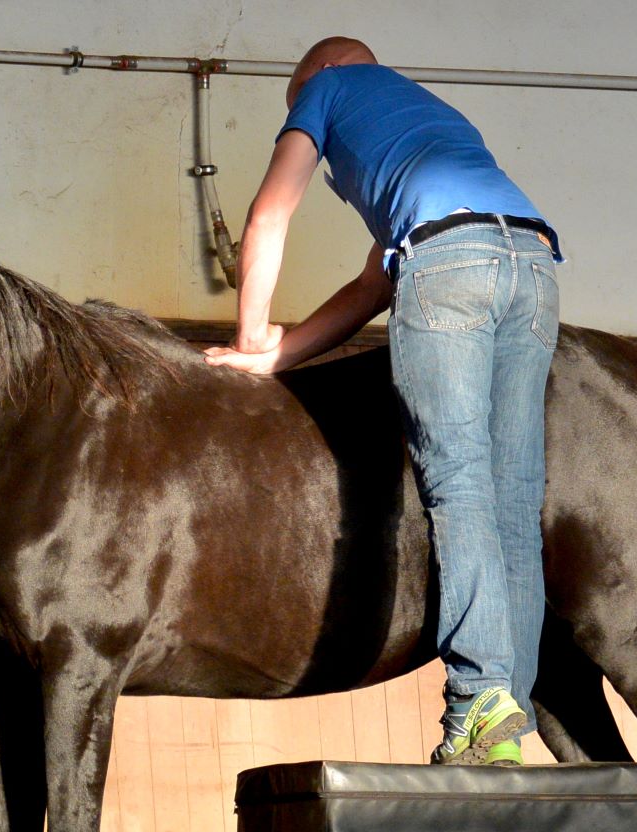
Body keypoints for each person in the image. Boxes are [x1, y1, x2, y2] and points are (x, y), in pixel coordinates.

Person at [205, 36, 562, 766]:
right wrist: (280, 355)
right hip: (532, 265)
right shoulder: (431, 120)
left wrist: (246, 335)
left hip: (448, 264)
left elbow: (269, 216)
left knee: (458, 483)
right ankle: (507, 721)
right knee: (513, 504)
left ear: (321, 75)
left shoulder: (331, 87)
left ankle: (478, 703)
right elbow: (373, 287)